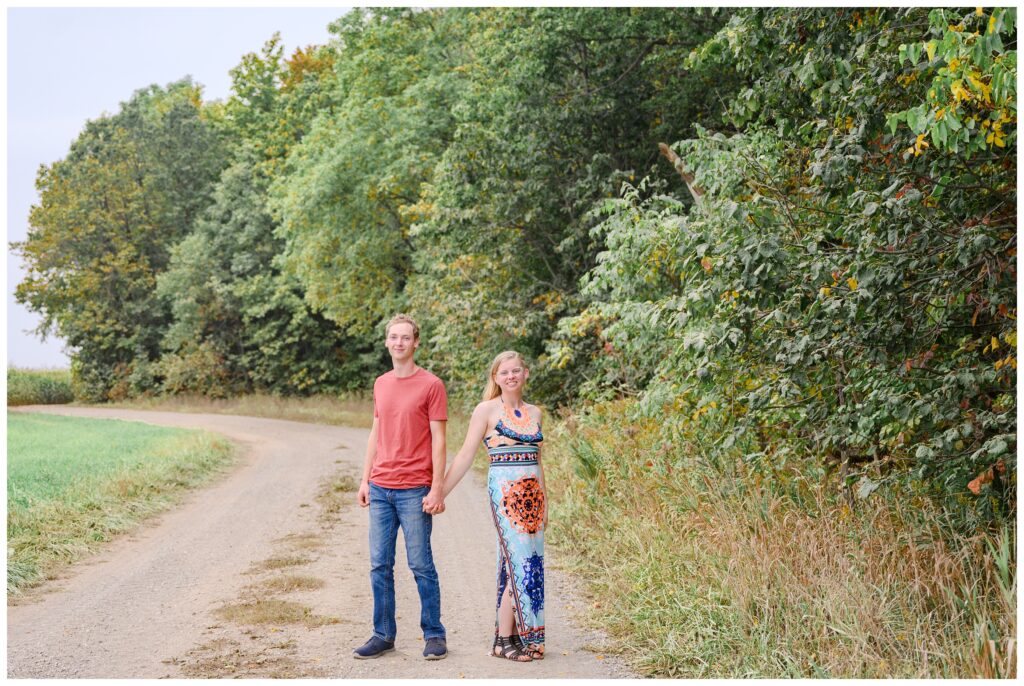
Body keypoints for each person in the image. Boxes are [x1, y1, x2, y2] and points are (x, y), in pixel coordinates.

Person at [353, 314, 449, 660]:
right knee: (379, 565)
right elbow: (375, 433)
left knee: (420, 564)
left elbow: (439, 441)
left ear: (416, 342)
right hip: (380, 487)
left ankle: (434, 634)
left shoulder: (432, 385)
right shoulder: (381, 383)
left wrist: (436, 488)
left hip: (414, 490)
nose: (399, 343)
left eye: (405, 337)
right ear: (386, 342)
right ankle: (382, 634)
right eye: (393, 337)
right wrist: (365, 479)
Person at [440, 351, 546, 662]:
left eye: (516, 371)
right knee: (518, 560)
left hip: (534, 496)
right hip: (505, 494)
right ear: (496, 378)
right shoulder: (486, 411)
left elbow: (540, 462)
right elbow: (464, 456)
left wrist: (546, 504)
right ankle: (502, 639)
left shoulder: (535, 412)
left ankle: (519, 635)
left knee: (526, 562)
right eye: (504, 372)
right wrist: (440, 493)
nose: (511, 376)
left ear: (525, 373)